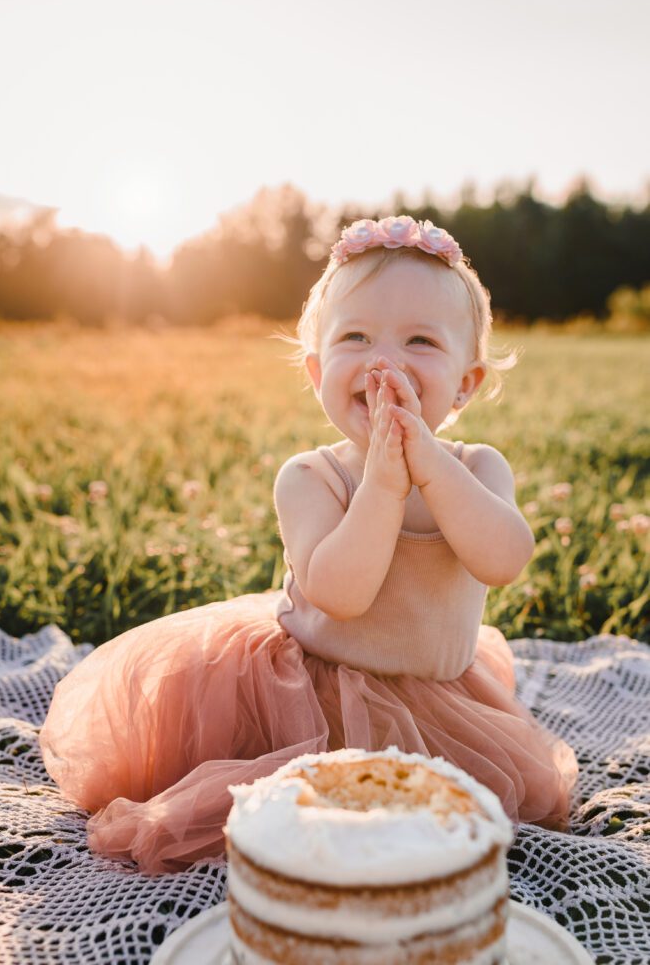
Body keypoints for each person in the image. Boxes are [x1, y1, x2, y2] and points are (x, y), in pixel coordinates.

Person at [39, 215, 579, 874]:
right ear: (319, 370)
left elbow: (505, 558)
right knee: (297, 819)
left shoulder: (478, 468)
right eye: (356, 336)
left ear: (465, 383)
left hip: (439, 698)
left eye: (420, 340)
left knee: (444, 823)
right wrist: (383, 482)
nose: (385, 361)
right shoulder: (310, 477)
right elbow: (341, 594)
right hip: (313, 694)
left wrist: (429, 467)